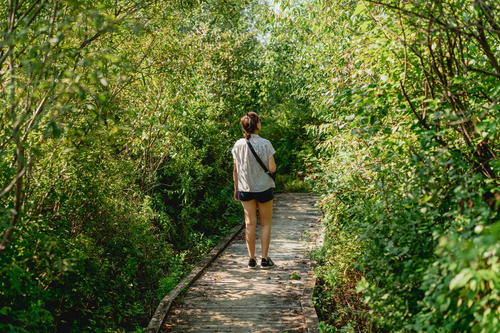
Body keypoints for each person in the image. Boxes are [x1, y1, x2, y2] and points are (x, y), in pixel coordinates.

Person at [231, 112, 277, 269]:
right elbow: (271, 168)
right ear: (257, 125)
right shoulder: (266, 144)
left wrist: (236, 188)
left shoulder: (238, 145)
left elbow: (235, 170)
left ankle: (251, 259)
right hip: (264, 187)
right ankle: (264, 259)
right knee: (266, 223)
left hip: (245, 189)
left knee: (249, 223)